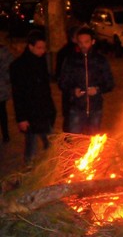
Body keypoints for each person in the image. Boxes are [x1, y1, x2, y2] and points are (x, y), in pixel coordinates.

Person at [10, 30, 56, 166]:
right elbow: (18, 94)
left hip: (45, 113)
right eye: (39, 48)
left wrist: (51, 110)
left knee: (51, 144)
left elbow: (46, 89)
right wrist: (21, 118)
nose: (43, 51)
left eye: (44, 47)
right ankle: (29, 172)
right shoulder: (18, 66)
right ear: (30, 46)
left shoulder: (41, 61)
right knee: (31, 146)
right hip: (30, 114)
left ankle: (51, 169)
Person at [58, 27, 114, 135]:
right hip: (77, 107)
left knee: (92, 142)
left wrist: (97, 90)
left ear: (93, 41)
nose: (83, 45)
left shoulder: (101, 60)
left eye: (86, 42)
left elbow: (110, 83)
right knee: (75, 141)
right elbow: (62, 83)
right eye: (80, 42)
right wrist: (73, 91)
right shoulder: (71, 60)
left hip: (95, 108)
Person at [55, 26, 79, 132]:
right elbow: (59, 76)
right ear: (74, 37)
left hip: (78, 96)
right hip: (70, 95)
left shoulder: (83, 51)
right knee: (70, 122)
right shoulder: (66, 53)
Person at [0, 44, 14, 143]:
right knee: (2, 111)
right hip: (2, 86)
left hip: (1, 87)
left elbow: (10, 68)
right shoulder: (4, 51)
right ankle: (5, 135)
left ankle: (5, 134)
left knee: (2, 111)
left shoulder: (4, 51)